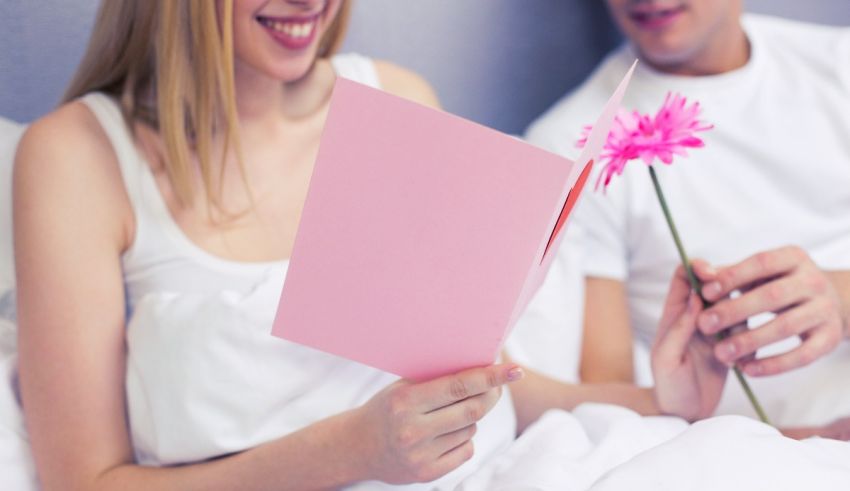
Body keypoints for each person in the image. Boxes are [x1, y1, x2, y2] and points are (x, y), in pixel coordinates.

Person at [12, 1, 729, 489]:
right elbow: (86, 481)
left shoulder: (395, 100)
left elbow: (482, 385)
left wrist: (665, 400)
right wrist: (353, 448)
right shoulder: (77, 158)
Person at [525, 0, 850, 428]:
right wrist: (803, 442)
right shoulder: (574, 147)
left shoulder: (837, 65)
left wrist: (840, 299)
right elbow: (608, 396)